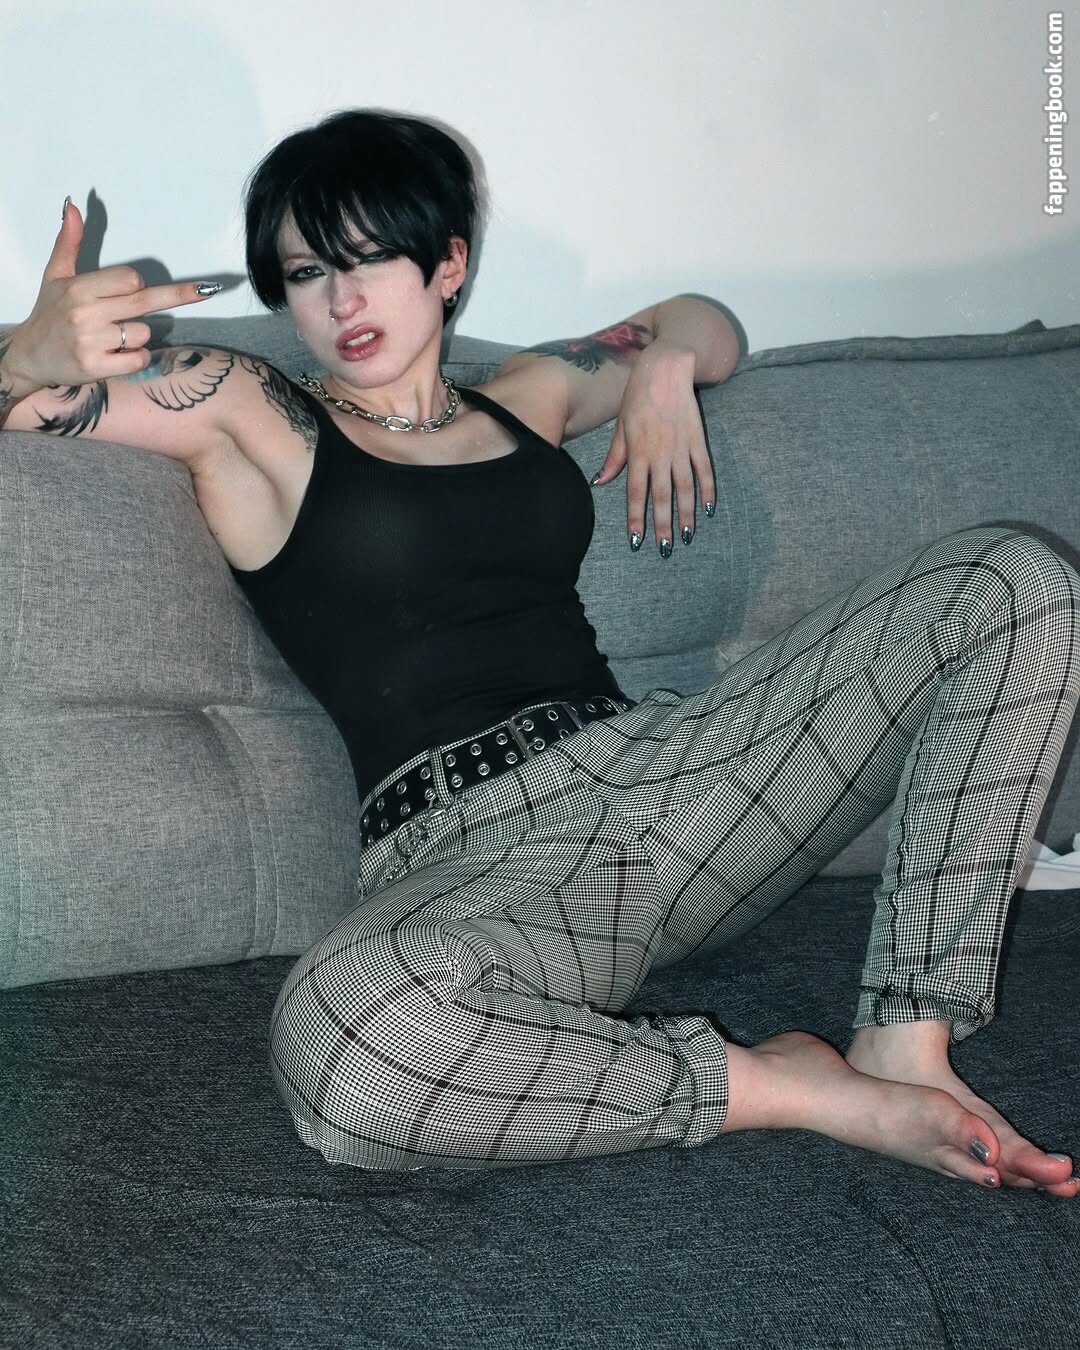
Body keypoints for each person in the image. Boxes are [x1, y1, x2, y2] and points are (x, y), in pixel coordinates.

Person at [1, 109, 1078, 1195]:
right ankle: (794, 1087)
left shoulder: (529, 394)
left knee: (1013, 582)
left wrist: (663, 370)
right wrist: (26, 356)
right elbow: (34, 402)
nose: (341, 299)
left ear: (448, 264)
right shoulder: (255, 414)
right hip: (476, 866)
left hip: (676, 784)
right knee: (351, 1046)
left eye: (370, 256)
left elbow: (704, 324)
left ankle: (907, 1037)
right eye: (309, 271)